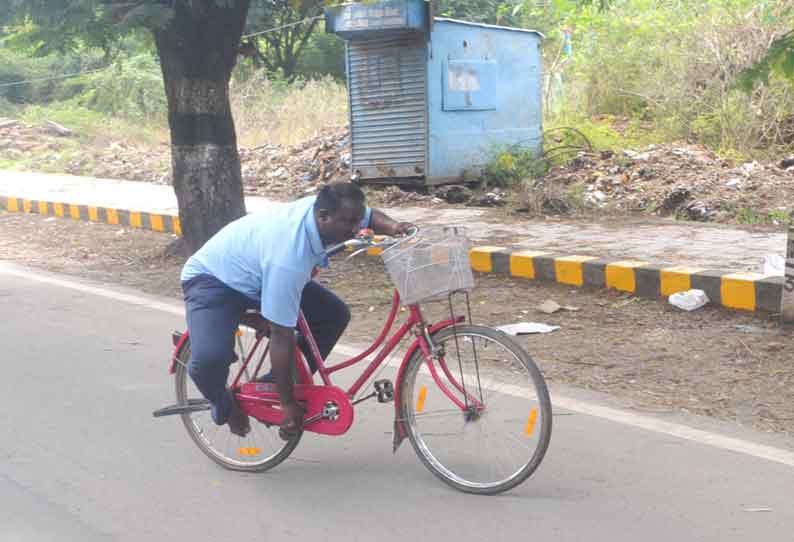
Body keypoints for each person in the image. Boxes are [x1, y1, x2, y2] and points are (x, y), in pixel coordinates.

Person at [180, 182, 413, 439]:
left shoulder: (330, 209)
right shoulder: (289, 258)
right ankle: (225, 406)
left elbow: (369, 215)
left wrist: (394, 227)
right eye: (349, 223)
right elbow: (282, 335)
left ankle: (270, 386)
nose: (357, 229)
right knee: (209, 360)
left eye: (357, 221)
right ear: (323, 217)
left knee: (333, 316)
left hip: (259, 273)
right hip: (213, 280)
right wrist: (288, 405)